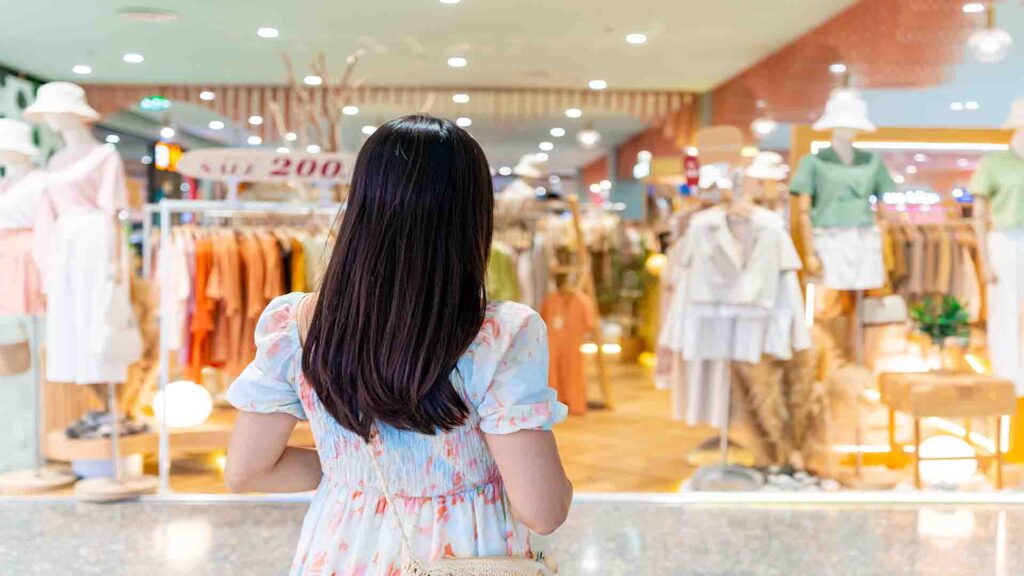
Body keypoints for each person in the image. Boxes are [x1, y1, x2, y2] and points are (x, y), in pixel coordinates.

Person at [224, 114, 572, 575]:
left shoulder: (296, 323)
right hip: (466, 554)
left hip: (341, 548)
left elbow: (245, 471)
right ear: (472, 215)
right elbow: (543, 510)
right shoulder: (501, 334)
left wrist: (352, 471)